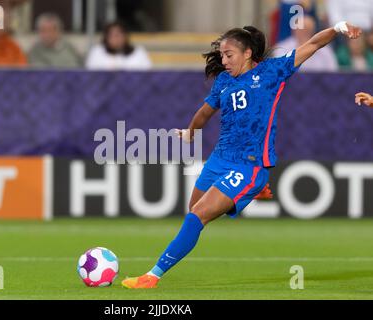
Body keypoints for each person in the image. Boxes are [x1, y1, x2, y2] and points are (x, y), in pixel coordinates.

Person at [121, 21, 362, 289]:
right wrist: (190, 133)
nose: (223, 61)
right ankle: (248, 193)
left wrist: (338, 28)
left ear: (247, 53)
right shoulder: (224, 82)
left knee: (197, 215)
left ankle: (151, 276)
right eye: (222, 55)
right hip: (219, 159)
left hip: (250, 164)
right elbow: (204, 113)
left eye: (229, 55)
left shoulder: (273, 71)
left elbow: (313, 44)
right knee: (193, 214)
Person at [274, 15, 338, 72]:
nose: (303, 32)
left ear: (312, 30)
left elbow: (333, 73)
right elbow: (278, 71)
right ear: (294, 30)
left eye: (307, 29)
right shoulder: (282, 48)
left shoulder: (324, 49)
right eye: (301, 29)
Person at [85, 21, 152, 70]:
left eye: (119, 34)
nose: (116, 38)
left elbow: (146, 76)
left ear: (125, 36)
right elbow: (91, 75)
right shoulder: (97, 52)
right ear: (106, 37)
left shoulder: (138, 52)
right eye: (112, 35)